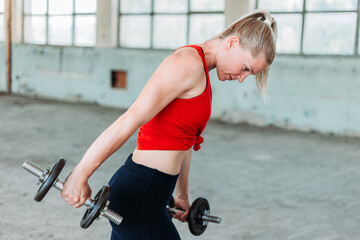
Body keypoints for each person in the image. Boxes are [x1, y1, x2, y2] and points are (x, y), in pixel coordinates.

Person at [61, 9, 277, 240]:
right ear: (233, 43)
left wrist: (180, 192)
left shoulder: (202, 72)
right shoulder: (187, 64)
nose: (242, 78)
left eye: (249, 74)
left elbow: (185, 140)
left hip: (155, 192)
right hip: (140, 193)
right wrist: (80, 173)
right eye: (246, 68)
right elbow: (131, 118)